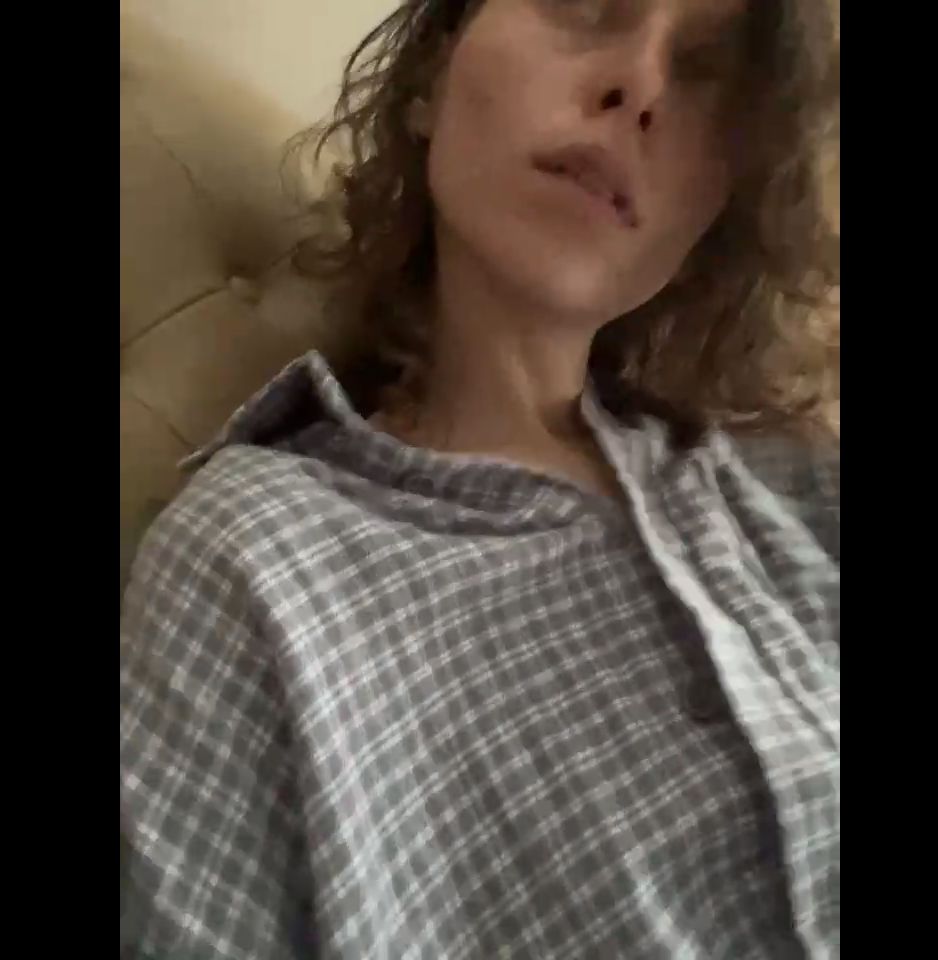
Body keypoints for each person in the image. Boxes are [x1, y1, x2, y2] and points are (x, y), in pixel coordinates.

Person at [120, 0, 840, 957]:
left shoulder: (795, 481)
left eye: (708, 70)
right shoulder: (252, 565)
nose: (643, 88)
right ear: (432, 76)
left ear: (710, 218)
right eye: (586, 6)